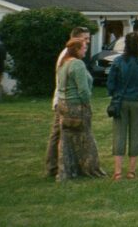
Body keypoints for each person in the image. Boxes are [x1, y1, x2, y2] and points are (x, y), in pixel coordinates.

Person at [55, 37, 106, 181]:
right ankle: (90, 169)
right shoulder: (77, 64)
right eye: (84, 48)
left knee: (66, 140)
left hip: (63, 104)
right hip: (76, 106)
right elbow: (83, 90)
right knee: (86, 138)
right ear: (76, 49)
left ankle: (66, 171)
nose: (85, 50)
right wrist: (87, 104)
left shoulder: (63, 63)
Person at [107, 32, 138, 180]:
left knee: (119, 134)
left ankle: (117, 172)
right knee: (137, 134)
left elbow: (110, 83)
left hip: (120, 101)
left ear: (125, 44)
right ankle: (131, 171)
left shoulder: (118, 61)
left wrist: (115, 94)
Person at [46, 26, 90, 177]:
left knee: (62, 134)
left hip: (64, 100)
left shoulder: (72, 57)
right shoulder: (68, 57)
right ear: (75, 38)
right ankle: (53, 166)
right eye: (85, 38)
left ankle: (64, 165)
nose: (87, 42)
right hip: (64, 101)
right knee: (58, 134)